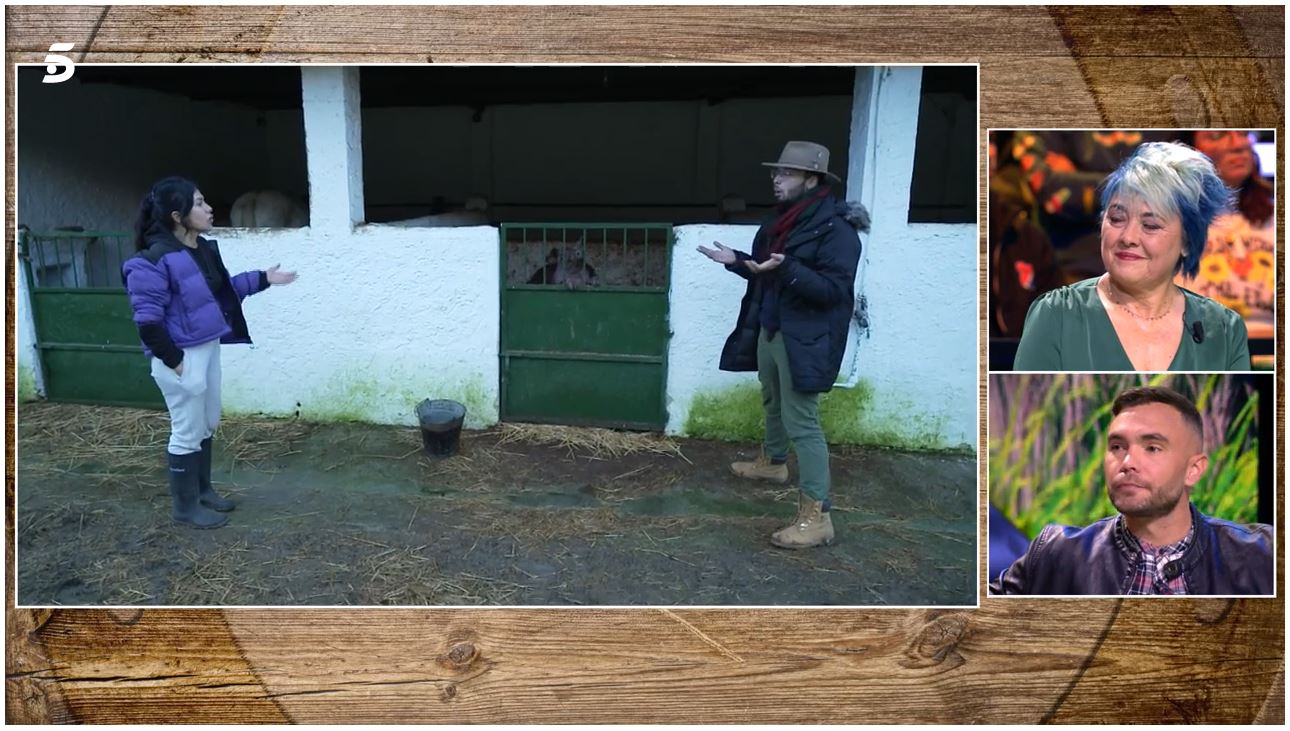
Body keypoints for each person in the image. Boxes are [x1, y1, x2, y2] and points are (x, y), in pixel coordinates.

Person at [697, 140, 866, 549]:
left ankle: (817, 516)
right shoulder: (782, 222)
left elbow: (832, 291)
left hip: (804, 337)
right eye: (775, 172)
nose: (776, 179)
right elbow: (765, 272)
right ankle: (773, 463)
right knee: (771, 399)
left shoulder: (837, 230)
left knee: (803, 424)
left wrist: (788, 267)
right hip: (772, 329)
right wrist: (738, 260)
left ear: (812, 179)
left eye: (786, 173)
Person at [122, 176, 298, 529]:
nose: (209, 208)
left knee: (207, 422)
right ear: (177, 215)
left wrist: (262, 279)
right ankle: (185, 507)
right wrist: (177, 363)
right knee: (186, 429)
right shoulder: (150, 261)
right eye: (199, 203)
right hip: (179, 355)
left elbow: (220, 295)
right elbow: (148, 323)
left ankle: (203, 492)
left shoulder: (202, 249)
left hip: (207, 346)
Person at [990, 386, 1273, 595]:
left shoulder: (1265, 555)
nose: (1127, 463)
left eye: (1152, 448)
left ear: (1194, 470)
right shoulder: (1056, 555)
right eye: (1117, 447)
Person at [1013, 141, 1249, 371]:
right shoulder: (1056, 316)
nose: (1128, 237)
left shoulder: (1225, 331)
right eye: (1116, 219)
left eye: (1150, 225)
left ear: (1187, 241)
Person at [1177, 130, 1275, 337]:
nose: (1238, 144)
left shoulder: (1277, 218)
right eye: (1217, 136)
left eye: (1244, 134)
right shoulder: (1168, 220)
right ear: (1188, 153)